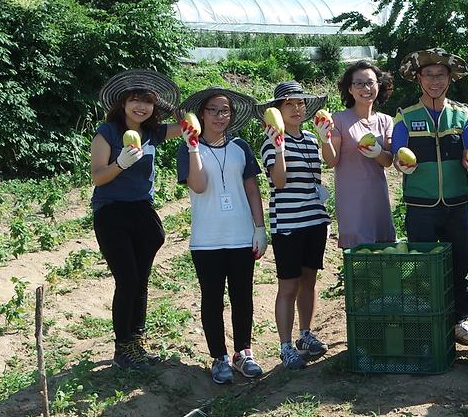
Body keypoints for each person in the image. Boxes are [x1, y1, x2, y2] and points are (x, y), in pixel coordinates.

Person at [90, 69, 188, 371]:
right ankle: (122, 348)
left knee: (141, 282)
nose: (140, 108)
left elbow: (186, 124)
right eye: (135, 100)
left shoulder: (153, 132)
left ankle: (136, 342)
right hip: (112, 213)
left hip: (142, 212)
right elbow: (97, 177)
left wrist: (170, 105)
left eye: (147, 102)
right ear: (122, 103)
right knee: (127, 279)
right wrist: (119, 164)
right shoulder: (107, 132)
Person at [392, 48, 468, 346]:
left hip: (457, 202)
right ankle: (426, 321)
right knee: (423, 266)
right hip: (420, 204)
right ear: (418, 79)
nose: (435, 80)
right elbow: (397, 154)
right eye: (429, 75)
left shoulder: (463, 114)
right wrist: (400, 162)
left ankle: (459, 321)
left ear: (450, 78)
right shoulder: (405, 116)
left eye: (441, 74)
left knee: (461, 262)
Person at [177, 87, 266, 384]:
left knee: (243, 297)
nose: (219, 116)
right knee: (212, 300)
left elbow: (252, 190)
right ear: (202, 114)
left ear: (232, 115)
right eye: (213, 110)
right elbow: (199, 186)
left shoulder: (241, 147)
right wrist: (192, 147)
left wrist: (259, 228)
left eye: (224, 110)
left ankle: (244, 352)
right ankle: (219, 357)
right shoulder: (189, 148)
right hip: (207, 240)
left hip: (241, 236)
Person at [260, 81, 332, 371]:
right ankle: (285, 345)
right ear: (277, 110)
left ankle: (305, 335)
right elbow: (279, 181)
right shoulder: (270, 142)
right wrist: (278, 147)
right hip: (288, 224)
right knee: (287, 286)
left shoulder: (311, 140)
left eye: (300, 103)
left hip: (315, 220)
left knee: (309, 281)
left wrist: (325, 139)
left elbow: (325, 168)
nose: (297, 108)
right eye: (289, 104)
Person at [323, 61, 396, 249]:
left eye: (371, 82)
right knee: (356, 254)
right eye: (359, 83)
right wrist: (325, 139)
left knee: (381, 254)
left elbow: (388, 161)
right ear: (350, 89)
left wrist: (378, 153)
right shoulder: (339, 119)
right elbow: (332, 161)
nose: (366, 88)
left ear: (379, 86)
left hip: (378, 198)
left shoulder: (386, 121)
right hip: (352, 200)